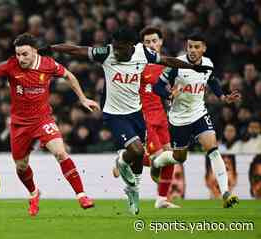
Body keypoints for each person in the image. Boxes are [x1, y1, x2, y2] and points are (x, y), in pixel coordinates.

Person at [39, 26, 213, 214]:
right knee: (137, 150)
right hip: (114, 114)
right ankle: (122, 162)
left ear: (131, 46)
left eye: (121, 48)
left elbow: (168, 60)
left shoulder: (143, 52)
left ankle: (132, 191)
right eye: (115, 47)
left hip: (136, 112)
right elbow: (76, 49)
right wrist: (52, 48)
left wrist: (193, 67)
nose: (117, 51)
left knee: (138, 157)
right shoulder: (107, 53)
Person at [0, 33, 100, 216]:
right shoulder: (11, 65)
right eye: (18, 54)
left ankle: (81, 195)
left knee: (60, 152)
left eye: (25, 54)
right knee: (21, 166)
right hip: (19, 125)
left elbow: (68, 75)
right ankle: (34, 193)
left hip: (42, 120)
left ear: (35, 52)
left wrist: (83, 98)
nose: (21, 58)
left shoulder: (48, 64)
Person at [153, 32, 241, 208]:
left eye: (196, 47)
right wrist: (169, 95)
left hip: (199, 114)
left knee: (214, 150)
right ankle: (158, 161)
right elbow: (157, 86)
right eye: (190, 46)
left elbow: (212, 81)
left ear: (204, 48)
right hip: (179, 119)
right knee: (179, 158)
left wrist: (223, 97)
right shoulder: (176, 64)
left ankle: (225, 193)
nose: (192, 50)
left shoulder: (208, 63)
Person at [112, 27, 178, 208]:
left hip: (161, 116)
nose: (151, 45)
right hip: (144, 116)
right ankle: (125, 159)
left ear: (161, 42)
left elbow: (169, 89)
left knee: (171, 157)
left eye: (154, 41)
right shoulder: (136, 62)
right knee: (159, 158)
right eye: (147, 42)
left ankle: (162, 199)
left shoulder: (165, 65)